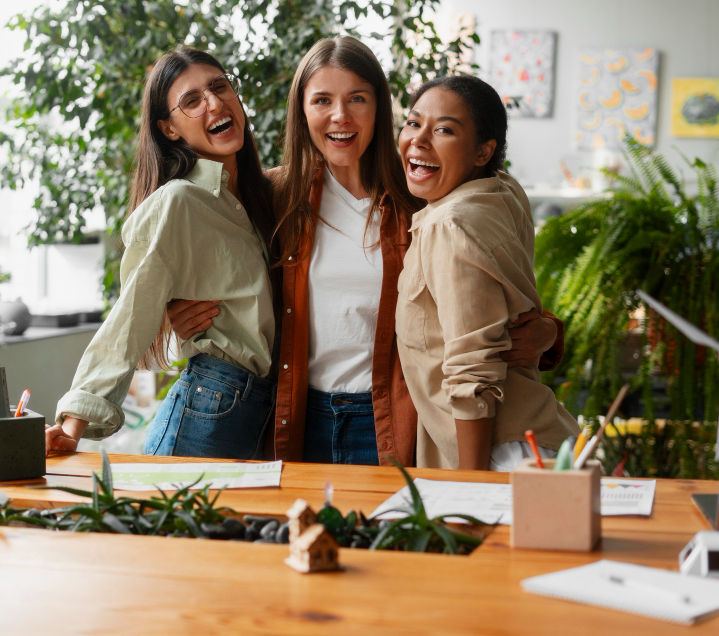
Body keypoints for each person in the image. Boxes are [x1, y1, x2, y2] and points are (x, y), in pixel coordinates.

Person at [167, 36, 565, 467]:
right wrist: (173, 322)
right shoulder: (271, 196)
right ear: (302, 110)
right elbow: (210, 284)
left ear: (380, 108)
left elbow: (487, 292)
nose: (340, 115)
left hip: (395, 421)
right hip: (298, 417)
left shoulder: (422, 193)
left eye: (357, 98)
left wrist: (547, 331)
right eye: (322, 100)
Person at [45, 48, 279, 459]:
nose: (215, 102)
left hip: (262, 407)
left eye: (220, 86)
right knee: (165, 526)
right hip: (211, 406)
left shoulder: (264, 197)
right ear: (169, 129)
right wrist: (73, 424)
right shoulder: (178, 202)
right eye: (192, 101)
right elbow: (131, 315)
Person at [394, 75, 580, 471]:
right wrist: (548, 329)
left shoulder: (449, 225)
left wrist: (473, 485)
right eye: (413, 123)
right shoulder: (501, 191)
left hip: (498, 454)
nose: (419, 140)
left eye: (444, 129)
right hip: (533, 439)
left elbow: (471, 371)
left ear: (483, 152)